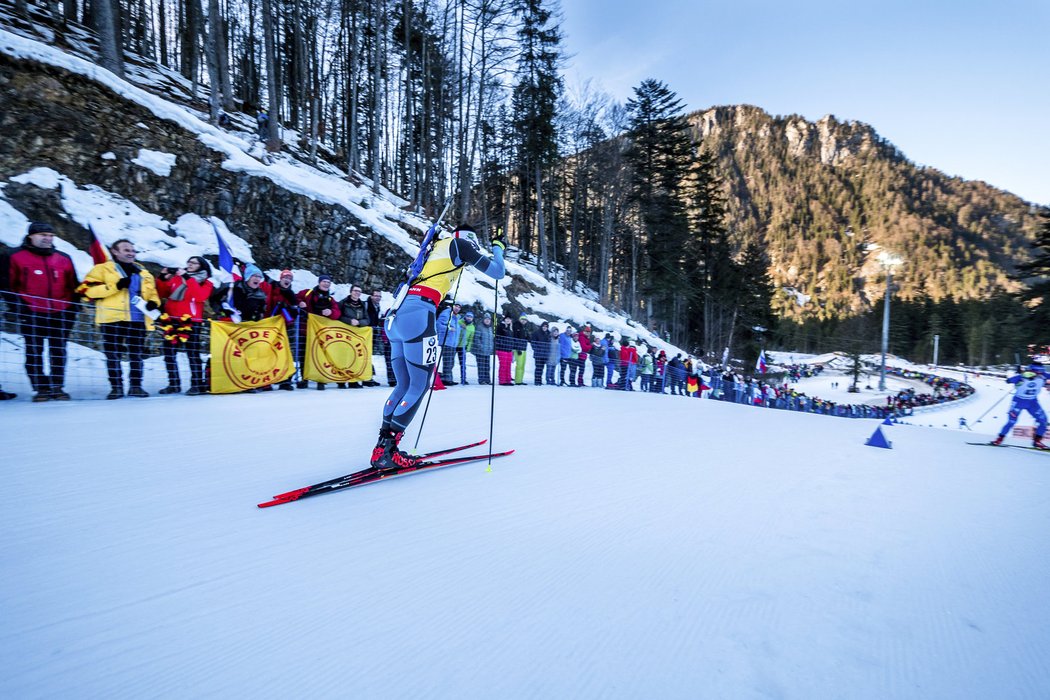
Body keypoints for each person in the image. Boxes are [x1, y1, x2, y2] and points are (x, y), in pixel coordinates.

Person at [371, 224, 505, 471]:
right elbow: (498, 272)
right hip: (418, 314)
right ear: (469, 238)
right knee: (419, 385)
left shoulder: (434, 248)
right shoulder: (460, 245)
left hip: (397, 316)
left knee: (404, 385)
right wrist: (498, 248)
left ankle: (382, 447)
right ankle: (389, 450)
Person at [5, 222, 79, 401]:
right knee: (33, 350)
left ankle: (57, 386)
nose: (47, 238)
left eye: (50, 235)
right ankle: (41, 388)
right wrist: (19, 307)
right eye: (42, 235)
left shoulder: (64, 258)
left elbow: (73, 285)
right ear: (31, 236)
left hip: (61, 311)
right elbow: (7, 284)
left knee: (58, 350)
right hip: (31, 311)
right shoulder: (14, 256)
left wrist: (72, 309)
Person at [80, 239, 161, 399]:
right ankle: (116, 387)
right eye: (126, 250)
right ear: (115, 252)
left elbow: (152, 293)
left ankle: (136, 386)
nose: (131, 253)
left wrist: (154, 303)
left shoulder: (143, 272)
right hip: (112, 318)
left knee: (136, 354)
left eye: (132, 250)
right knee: (113, 354)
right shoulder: (102, 269)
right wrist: (115, 287)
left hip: (137, 319)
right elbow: (87, 290)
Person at [155, 256, 214, 395]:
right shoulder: (176, 278)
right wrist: (162, 277)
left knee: (192, 353)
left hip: (191, 321)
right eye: (189, 262)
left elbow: (199, 296)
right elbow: (163, 293)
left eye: (194, 263)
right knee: (169, 353)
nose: (190, 264)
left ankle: (197, 384)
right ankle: (173, 383)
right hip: (171, 320)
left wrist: (187, 277)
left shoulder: (206, 282)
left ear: (202, 266)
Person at [296, 274, 341, 389]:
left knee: (320, 356)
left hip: (321, 333)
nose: (326, 284)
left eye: (328, 282)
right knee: (304, 356)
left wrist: (330, 312)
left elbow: (337, 312)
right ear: (319, 282)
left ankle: (320, 380)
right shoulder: (307, 293)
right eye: (324, 281)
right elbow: (295, 297)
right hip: (306, 330)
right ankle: (304, 378)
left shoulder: (330, 299)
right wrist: (300, 302)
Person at [991, 362, 1048, 449]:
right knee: (1011, 421)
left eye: (1040, 372)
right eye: (1036, 372)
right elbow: (1008, 381)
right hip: (1019, 401)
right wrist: (1019, 377)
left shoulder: (1044, 375)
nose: (1038, 375)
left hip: (1032, 402)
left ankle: (1037, 441)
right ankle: (999, 439)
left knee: (1043, 421)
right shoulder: (1022, 376)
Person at [266, 269, 299, 390]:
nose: (287, 280)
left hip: (286, 326)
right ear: (281, 278)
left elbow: (295, 311)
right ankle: (267, 379)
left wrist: (291, 309)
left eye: (290, 279)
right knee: (270, 352)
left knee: (286, 352)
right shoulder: (273, 288)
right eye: (285, 278)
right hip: (271, 325)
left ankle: (285, 380)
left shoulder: (291, 294)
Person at [337, 284, 369, 388]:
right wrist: (349, 321)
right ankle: (341, 381)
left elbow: (367, 320)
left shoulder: (362, 305)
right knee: (342, 357)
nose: (357, 293)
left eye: (359, 291)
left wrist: (359, 322)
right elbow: (338, 316)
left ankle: (353, 381)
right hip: (344, 335)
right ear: (351, 291)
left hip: (356, 336)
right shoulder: (343, 303)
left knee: (354, 357)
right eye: (355, 291)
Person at [364, 288, 387, 387]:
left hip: (372, 334)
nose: (378, 298)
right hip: (365, 333)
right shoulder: (366, 305)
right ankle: (366, 378)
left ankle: (369, 377)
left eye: (379, 296)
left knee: (368, 356)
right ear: (371, 296)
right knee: (365, 355)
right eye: (376, 295)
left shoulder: (377, 306)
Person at [436, 301, 461, 385]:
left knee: (451, 362)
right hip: (446, 341)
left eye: (459, 307)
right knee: (447, 361)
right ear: (452, 306)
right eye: (456, 306)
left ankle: (448, 378)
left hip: (452, 343)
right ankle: (446, 379)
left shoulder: (456, 317)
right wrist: (449, 329)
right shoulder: (446, 314)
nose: (457, 308)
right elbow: (439, 325)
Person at [471, 313, 494, 385]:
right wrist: (480, 347)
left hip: (487, 351)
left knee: (487, 366)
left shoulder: (490, 328)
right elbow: (476, 338)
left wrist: (491, 347)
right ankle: (481, 380)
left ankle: (488, 380)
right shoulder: (479, 327)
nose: (487, 320)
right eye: (486, 319)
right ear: (483, 319)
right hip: (480, 351)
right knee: (481, 366)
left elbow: (491, 339)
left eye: (489, 319)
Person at [494, 314, 515, 386]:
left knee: (508, 365)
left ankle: (508, 380)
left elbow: (512, 339)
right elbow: (497, 337)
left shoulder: (510, 328)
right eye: (507, 319)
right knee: (503, 365)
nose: (508, 320)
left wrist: (512, 347)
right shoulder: (500, 327)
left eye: (509, 319)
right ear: (504, 319)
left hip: (509, 349)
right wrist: (502, 343)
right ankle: (502, 381)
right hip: (502, 349)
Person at [456, 310, 475, 384]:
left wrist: (468, 348)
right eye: (468, 316)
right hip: (455, 344)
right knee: (450, 362)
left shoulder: (472, 327)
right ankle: (448, 378)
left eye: (471, 317)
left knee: (463, 363)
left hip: (463, 346)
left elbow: (471, 339)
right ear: (465, 316)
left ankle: (463, 378)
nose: (469, 318)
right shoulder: (459, 322)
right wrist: (460, 327)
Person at [529, 320, 551, 385]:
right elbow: (533, 342)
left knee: (542, 368)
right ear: (541, 326)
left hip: (544, 354)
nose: (545, 327)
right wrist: (536, 349)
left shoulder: (548, 334)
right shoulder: (536, 333)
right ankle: (536, 381)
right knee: (538, 368)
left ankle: (540, 380)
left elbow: (549, 344)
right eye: (544, 326)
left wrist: (547, 352)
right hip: (538, 354)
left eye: (546, 326)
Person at [512, 315, 530, 385]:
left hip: (524, 348)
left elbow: (527, 337)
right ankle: (518, 380)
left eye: (525, 320)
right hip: (518, 348)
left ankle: (520, 379)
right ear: (519, 319)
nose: (523, 321)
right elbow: (515, 337)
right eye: (522, 319)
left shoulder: (525, 327)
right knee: (519, 365)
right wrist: (517, 348)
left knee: (522, 365)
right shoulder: (516, 326)